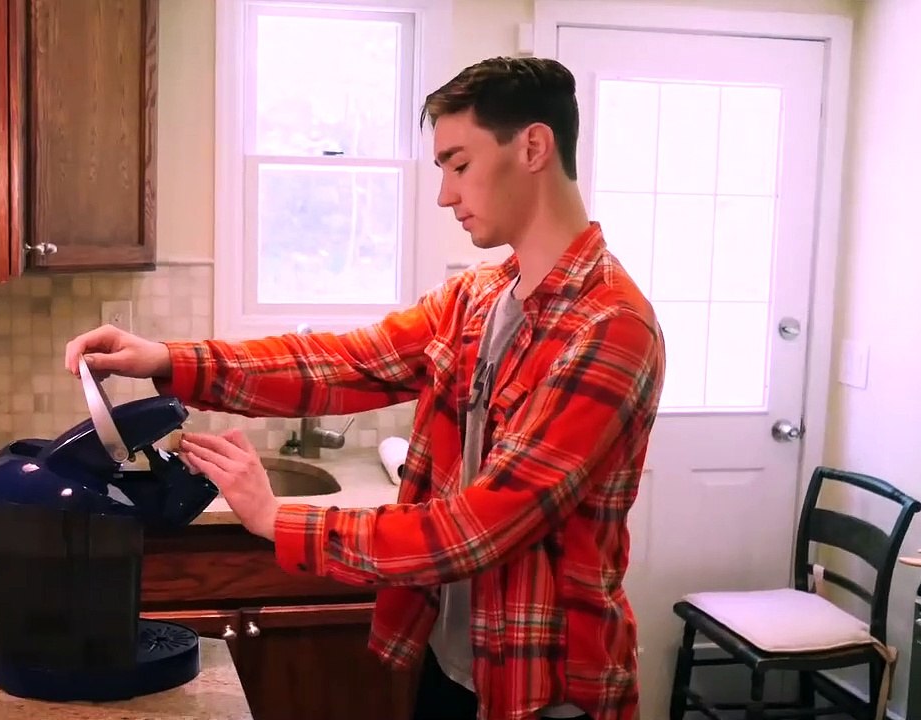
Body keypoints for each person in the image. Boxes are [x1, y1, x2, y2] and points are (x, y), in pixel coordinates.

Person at [64, 57, 665, 720]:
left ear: (532, 146)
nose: (444, 193)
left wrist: (276, 518)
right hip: (453, 664)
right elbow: (344, 362)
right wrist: (165, 359)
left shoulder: (610, 330)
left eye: (458, 164)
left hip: (543, 693)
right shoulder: (480, 296)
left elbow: (475, 530)